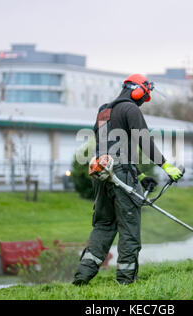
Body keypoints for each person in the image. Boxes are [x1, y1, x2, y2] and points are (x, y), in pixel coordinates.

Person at [72, 74, 183, 285]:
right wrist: (167, 167)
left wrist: (139, 175)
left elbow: (110, 148)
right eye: (144, 96)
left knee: (103, 225)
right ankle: (126, 282)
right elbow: (143, 139)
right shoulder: (130, 109)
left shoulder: (104, 111)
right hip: (119, 172)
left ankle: (81, 278)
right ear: (137, 91)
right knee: (129, 228)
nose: (143, 101)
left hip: (101, 172)